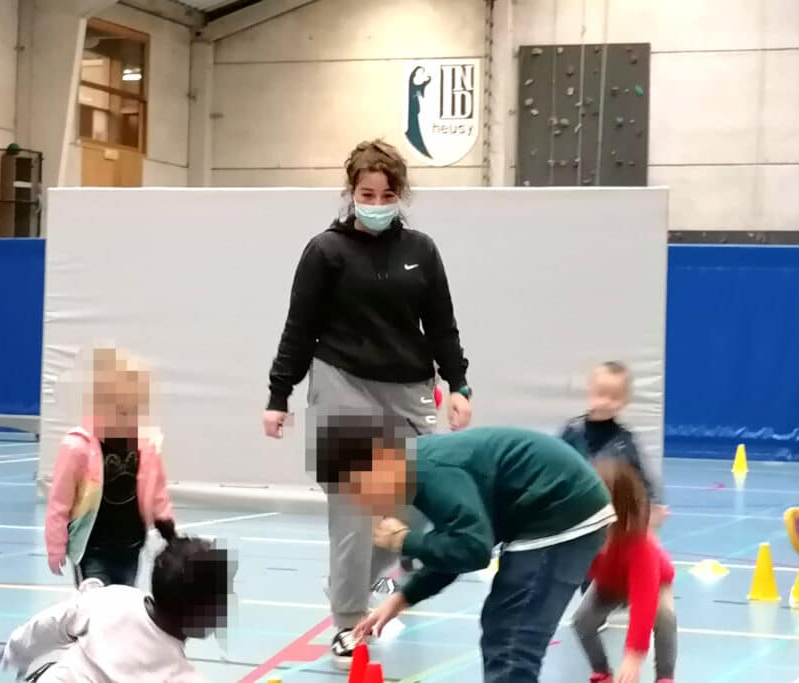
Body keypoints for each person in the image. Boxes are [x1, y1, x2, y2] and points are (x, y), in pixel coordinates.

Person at [262, 139, 473, 667]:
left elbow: (441, 324)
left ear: (401, 196)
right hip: (342, 383)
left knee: (421, 507)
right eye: (367, 194)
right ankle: (348, 621)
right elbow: (299, 328)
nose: (377, 204)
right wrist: (278, 395)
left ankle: (354, 579)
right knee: (354, 512)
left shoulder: (422, 250)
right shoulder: (326, 251)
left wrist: (459, 384)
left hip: (409, 388)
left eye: (387, 195)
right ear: (351, 193)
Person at [313, 414, 615, 683]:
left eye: (360, 491)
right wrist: (403, 598)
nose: (365, 504)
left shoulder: (429, 471)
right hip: (555, 511)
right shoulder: (416, 465)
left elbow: (474, 549)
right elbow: (460, 543)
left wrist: (405, 540)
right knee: (503, 627)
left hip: (563, 513)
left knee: (512, 635)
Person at [0, 524, 235, 682]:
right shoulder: (182, 677)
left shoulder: (115, 598)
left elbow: (53, 622)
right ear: (206, 615)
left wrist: (17, 650)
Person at [45, 347, 174, 588]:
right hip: (92, 549)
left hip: (131, 548)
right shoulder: (78, 447)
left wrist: (168, 530)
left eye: (134, 411)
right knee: (95, 604)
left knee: (123, 602)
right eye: (122, 411)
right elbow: (59, 501)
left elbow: (157, 493)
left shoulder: (146, 447)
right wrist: (55, 546)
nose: (129, 419)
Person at [572, 460, 676, 683]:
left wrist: (633, 656)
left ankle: (665, 676)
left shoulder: (640, 546)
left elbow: (643, 604)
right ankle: (601, 671)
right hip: (611, 582)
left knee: (664, 618)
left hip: (654, 582)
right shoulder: (587, 536)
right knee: (582, 620)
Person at [559, 362, 668, 528]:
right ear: (590, 392)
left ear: (625, 400)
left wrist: (654, 503)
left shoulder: (624, 440)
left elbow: (641, 477)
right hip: (576, 514)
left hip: (610, 518)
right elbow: (555, 467)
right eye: (601, 394)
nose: (606, 402)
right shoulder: (573, 431)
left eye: (614, 397)